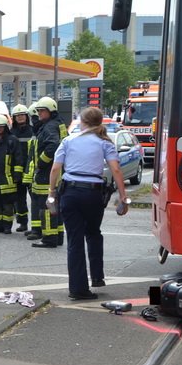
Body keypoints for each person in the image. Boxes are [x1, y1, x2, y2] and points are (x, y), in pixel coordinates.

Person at [50, 106, 129, 300]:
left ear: (82, 122)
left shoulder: (68, 141)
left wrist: (51, 193)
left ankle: (78, 289)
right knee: (93, 233)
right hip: (93, 194)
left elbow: (55, 169)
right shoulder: (104, 142)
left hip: (70, 193)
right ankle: (97, 276)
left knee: (74, 241)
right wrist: (123, 197)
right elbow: (116, 170)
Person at [28, 96, 68, 247]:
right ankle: (57, 236)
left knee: (46, 206)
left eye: (42, 111)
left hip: (47, 173)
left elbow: (52, 146)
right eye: (38, 111)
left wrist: (41, 163)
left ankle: (49, 239)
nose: (39, 114)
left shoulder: (50, 126)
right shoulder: (58, 124)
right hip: (58, 172)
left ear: (50, 111)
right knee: (55, 205)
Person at [10, 104, 34, 232]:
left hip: (30, 170)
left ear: (26, 116)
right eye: (17, 116)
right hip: (16, 171)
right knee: (19, 199)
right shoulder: (11, 132)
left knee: (34, 198)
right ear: (13, 118)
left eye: (22, 115)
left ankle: (36, 225)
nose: (20, 117)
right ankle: (23, 223)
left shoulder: (33, 130)